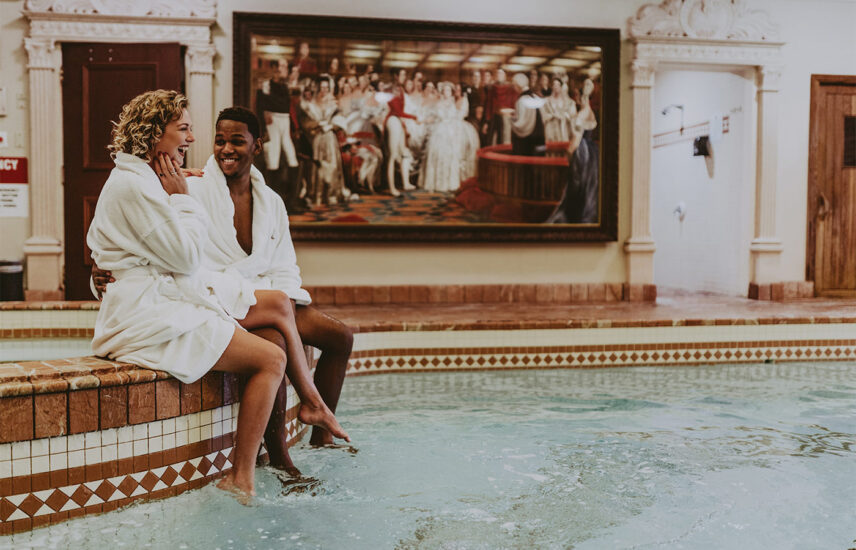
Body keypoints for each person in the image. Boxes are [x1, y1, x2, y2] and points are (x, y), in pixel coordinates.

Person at [87, 91, 348, 501]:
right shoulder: (144, 185)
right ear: (158, 132)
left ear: (255, 146)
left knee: (283, 312)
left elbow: (167, 251)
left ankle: (290, 429)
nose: (192, 139)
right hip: (151, 307)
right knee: (273, 349)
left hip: (179, 289)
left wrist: (175, 195)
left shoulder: (152, 179)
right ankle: (268, 459)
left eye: (192, 130)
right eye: (185, 129)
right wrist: (180, 198)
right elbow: (186, 257)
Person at [509, 72, 545, 156]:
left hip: (528, 142)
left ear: (518, 85)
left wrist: (510, 120)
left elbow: (521, 124)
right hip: (539, 138)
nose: (514, 88)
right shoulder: (536, 97)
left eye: (514, 85)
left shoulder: (521, 101)